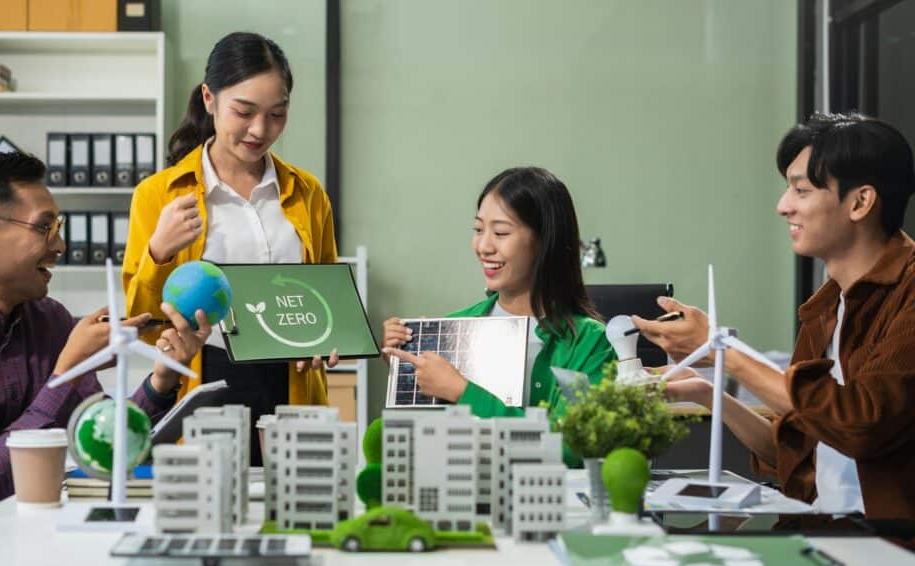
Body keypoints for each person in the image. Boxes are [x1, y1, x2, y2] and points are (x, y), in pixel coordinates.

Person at [0, 151, 211, 541]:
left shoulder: (48, 318)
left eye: (58, 226)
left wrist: (160, 382)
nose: (59, 244)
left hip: (29, 527)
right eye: (44, 227)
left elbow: (98, 441)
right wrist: (67, 372)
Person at [635, 112, 915, 519]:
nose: (783, 206)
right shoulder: (828, 306)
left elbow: (859, 425)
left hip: (888, 549)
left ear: (860, 202)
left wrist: (721, 350)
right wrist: (707, 391)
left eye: (801, 191)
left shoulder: (907, 294)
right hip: (824, 527)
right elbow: (794, 448)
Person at [123, 32, 338, 466]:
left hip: (292, 384)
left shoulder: (307, 192)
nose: (260, 130)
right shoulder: (159, 195)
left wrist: (329, 334)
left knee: (292, 512)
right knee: (208, 512)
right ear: (209, 98)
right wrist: (160, 252)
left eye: (277, 114)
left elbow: (324, 297)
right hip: (208, 382)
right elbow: (141, 327)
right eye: (244, 112)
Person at [382, 167, 615, 424]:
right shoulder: (452, 328)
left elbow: (573, 444)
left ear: (545, 240)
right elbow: (423, 440)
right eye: (479, 229)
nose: (484, 246)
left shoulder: (591, 342)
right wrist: (404, 368)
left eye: (501, 233)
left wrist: (461, 391)